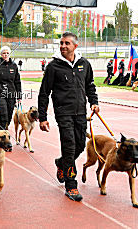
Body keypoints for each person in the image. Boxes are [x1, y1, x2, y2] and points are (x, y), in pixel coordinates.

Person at [38, 32, 99, 202]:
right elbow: (44, 93)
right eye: (61, 43)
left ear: (75, 46)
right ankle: (71, 185)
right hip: (63, 113)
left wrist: (94, 102)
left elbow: (90, 86)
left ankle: (61, 162)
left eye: (67, 43)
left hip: (81, 112)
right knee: (69, 146)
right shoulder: (53, 67)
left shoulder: (84, 64)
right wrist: (42, 117)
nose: (63, 46)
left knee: (80, 144)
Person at [0, 46, 21, 130]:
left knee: (9, 116)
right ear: (1, 55)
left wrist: (19, 96)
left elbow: (17, 81)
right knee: (4, 115)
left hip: (11, 93)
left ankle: (3, 131)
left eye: (7, 53)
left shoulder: (14, 66)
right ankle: (1, 135)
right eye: (4, 53)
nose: (6, 55)